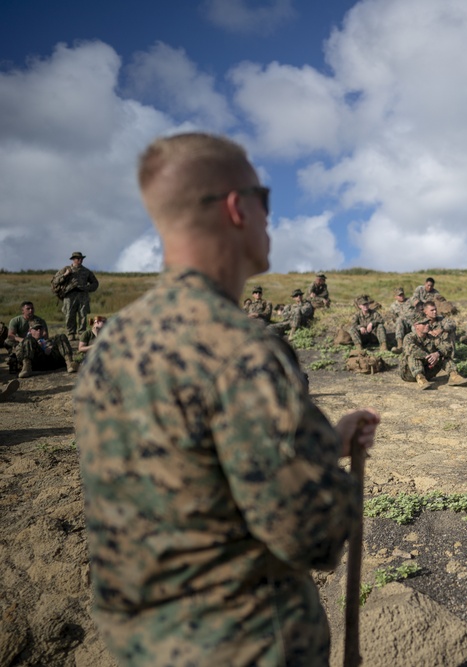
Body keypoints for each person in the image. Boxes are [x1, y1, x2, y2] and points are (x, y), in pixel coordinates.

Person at [74, 132, 380, 666]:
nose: (270, 218)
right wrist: (325, 472)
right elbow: (312, 535)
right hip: (245, 645)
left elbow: (191, 474)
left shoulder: (114, 342)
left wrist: (326, 441)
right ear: (238, 208)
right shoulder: (239, 349)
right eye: (267, 200)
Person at [400, 317, 467, 389]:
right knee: (413, 355)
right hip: (409, 373)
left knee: (443, 355)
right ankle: (420, 379)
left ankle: (454, 376)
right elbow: (412, 349)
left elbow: (447, 347)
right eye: (424, 323)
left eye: (427, 323)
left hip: (428, 372)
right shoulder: (409, 337)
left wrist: (437, 354)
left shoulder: (432, 338)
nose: (427, 325)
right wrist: (430, 358)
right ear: (416, 326)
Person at [52, 251, 100, 340]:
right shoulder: (66, 269)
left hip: (83, 295)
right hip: (69, 295)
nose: (80, 260)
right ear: (73, 259)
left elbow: (95, 283)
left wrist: (86, 288)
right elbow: (55, 281)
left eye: (81, 259)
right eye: (78, 258)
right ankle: (71, 333)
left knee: (83, 315)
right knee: (69, 314)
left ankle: (82, 333)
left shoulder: (86, 271)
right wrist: (65, 274)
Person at [389, 287, 416, 353]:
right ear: (395, 297)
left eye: (402, 294)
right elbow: (393, 319)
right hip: (402, 326)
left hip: (413, 323)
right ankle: (400, 345)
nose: (401, 296)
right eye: (399, 295)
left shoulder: (410, 301)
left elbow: (417, 307)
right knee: (399, 320)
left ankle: (417, 344)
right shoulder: (393, 306)